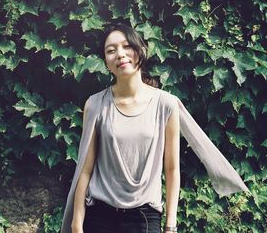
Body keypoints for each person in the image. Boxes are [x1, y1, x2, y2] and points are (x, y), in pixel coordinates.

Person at [61, 23, 249, 233]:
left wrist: (171, 225)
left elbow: (172, 169)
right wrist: (77, 224)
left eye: (126, 46)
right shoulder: (95, 105)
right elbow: (85, 170)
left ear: (140, 50)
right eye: (111, 50)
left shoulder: (165, 104)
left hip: (144, 217)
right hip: (99, 216)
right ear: (106, 63)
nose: (120, 54)